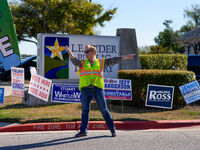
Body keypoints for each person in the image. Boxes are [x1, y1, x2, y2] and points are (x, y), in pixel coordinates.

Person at [64, 45, 135, 137]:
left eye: (87, 52)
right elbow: (74, 61)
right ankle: (83, 131)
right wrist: (69, 51)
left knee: (104, 110)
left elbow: (113, 60)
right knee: (85, 111)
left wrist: (126, 57)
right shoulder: (82, 63)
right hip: (86, 89)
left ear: (93, 52)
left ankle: (112, 129)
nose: (85, 53)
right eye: (84, 52)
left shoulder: (101, 62)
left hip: (98, 89)